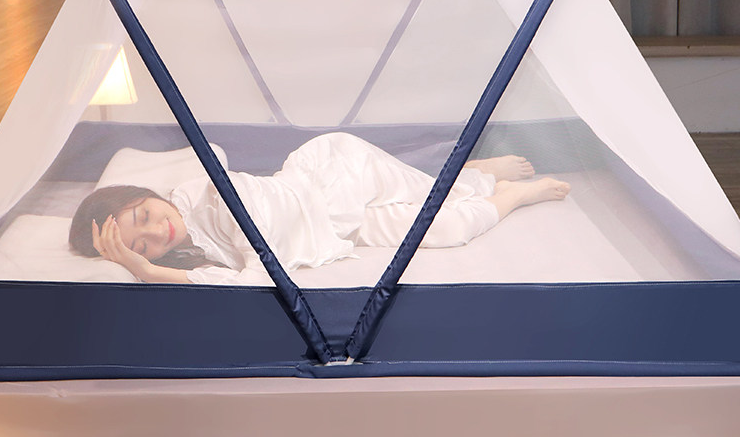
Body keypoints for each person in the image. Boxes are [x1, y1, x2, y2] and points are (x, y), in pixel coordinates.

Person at [70, 133, 570, 283]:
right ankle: (513, 195)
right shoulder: (192, 250)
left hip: (334, 172)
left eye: (143, 217)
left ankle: (478, 173)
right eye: (142, 246)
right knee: (449, 228)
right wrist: (140, 267)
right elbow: (231, 277)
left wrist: (146, 268)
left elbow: (258, 278)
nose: (155, 233)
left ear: (149, 196)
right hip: (336, 227)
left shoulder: (210, 196)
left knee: (436, 194)